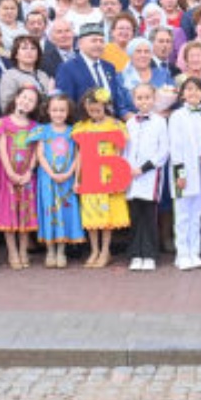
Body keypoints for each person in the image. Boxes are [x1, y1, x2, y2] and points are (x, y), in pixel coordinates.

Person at [74, 87, 129, 268]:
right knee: (91, 215)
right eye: (91, 110)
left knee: (107, 215)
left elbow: (120, 153)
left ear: (105, 106)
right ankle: (94, 250)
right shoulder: (82, 127)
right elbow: (79, 155)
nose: (95, 113)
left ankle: (105, 250)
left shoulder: (115, 125)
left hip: (107, 175)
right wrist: (77, 179)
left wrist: (118, 177)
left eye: (98, 109)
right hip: (89, 177)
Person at [30, 92, 84, 269]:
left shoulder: (73, 131)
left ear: (68, 112)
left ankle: (62, 250)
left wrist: (69, 173)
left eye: (62, 110)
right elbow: (40, 155)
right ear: (48, 111)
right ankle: (50, 250)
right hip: (48, 180)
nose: (58, 114)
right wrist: (51, 173)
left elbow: (77, 155)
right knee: (49, 212)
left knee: (65, 211)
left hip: (67, 180)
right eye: (55, 110)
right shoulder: (43, 130)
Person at [0, 85, 41, 269]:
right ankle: (12, 251)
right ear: (16, 98)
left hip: (26, 176)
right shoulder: (3, 123)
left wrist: (29, 171)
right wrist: (10, 173)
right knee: (9, 211)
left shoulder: (35, 127)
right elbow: (2, 150)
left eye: (31, 100)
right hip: (8, 175)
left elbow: (36, 151)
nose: (26, 102)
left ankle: (23, 250)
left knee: (25, 212)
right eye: (24, 97)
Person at [123, 83, 169, 272]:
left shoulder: (160, 122)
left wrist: (143, 168)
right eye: (139, 98)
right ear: (134, 100)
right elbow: (126, 149)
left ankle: (149, 254)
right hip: (132, 177)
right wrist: (128, 168)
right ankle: (136, 254)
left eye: (147, 97)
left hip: (150, 176)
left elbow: (163, 151)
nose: (143, 101)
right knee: (135, 216)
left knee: (149, 216)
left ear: (154, 99)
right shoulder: (130, 123)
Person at [168, 76, 201, 270]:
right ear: (182, 94)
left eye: (197, 89)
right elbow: (175, 146)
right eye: (189, 89)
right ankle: (182, 253)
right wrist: (180, 173)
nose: (193, 93)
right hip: (183, 170)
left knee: (197, 212)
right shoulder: (177, 116)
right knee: (182, 213)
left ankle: (195, 251)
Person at [56, 24, 133, 118]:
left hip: (111, 122)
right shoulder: (68, 68)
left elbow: (116, 101)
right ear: (80, 43)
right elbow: (67, 103)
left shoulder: (109, 67)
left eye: (101, 41)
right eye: (94, 41)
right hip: (83, 123)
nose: (98, 44)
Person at [0, 35, 53, 110]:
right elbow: (6, 106)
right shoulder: (10, 76)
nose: (29, 51)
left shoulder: (43, 75)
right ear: (16, 54)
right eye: (24, 48)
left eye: (33, 48)